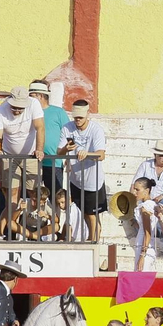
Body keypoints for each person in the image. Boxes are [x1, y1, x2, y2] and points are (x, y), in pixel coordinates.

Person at [59, 100, 107, 244]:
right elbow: (59, 153)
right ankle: (90, 240)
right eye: (75, 117)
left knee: (92, 214)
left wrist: (88, 154)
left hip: (93, 180)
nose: (77, 120)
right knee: (85, 212)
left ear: (88, 114)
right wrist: (65, 149)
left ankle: (93, 242)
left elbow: (102, 155)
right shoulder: (67, 128)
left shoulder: (96, 129)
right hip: (76, 179)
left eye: (80, 117)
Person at [0, 86, 44, 206]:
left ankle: (34, 222)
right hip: (9, 155)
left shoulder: (34, 104)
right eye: (14, 107)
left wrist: (39, 149)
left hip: (31, 155)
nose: (17, 110)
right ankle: (12, 222)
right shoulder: (0, 111)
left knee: (34, 192)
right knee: (12, 193)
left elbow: (40, 127)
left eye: (20, 108)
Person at [125, 177, 159, 272]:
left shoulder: (146, 207)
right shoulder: (149, 205)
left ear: (146, 190)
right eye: (134, 189)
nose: (135, 192)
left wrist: (143, 255)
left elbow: (147, 232)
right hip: (143, 245)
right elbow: (142, 227)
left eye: (137, 190)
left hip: (145, 247)